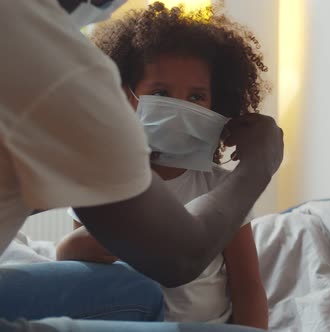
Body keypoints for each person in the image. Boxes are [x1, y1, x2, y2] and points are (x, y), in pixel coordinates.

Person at [0, 0, 282, 331]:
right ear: (125, 95)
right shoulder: (103, 174)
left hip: (193, 318)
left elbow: (247, 287)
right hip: (134, 311)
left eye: (195, 98)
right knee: (140, 289)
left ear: (218, 104)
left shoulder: (221, 190)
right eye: (161, 92)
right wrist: (259, 165)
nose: (177, 106)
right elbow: (73, 256)